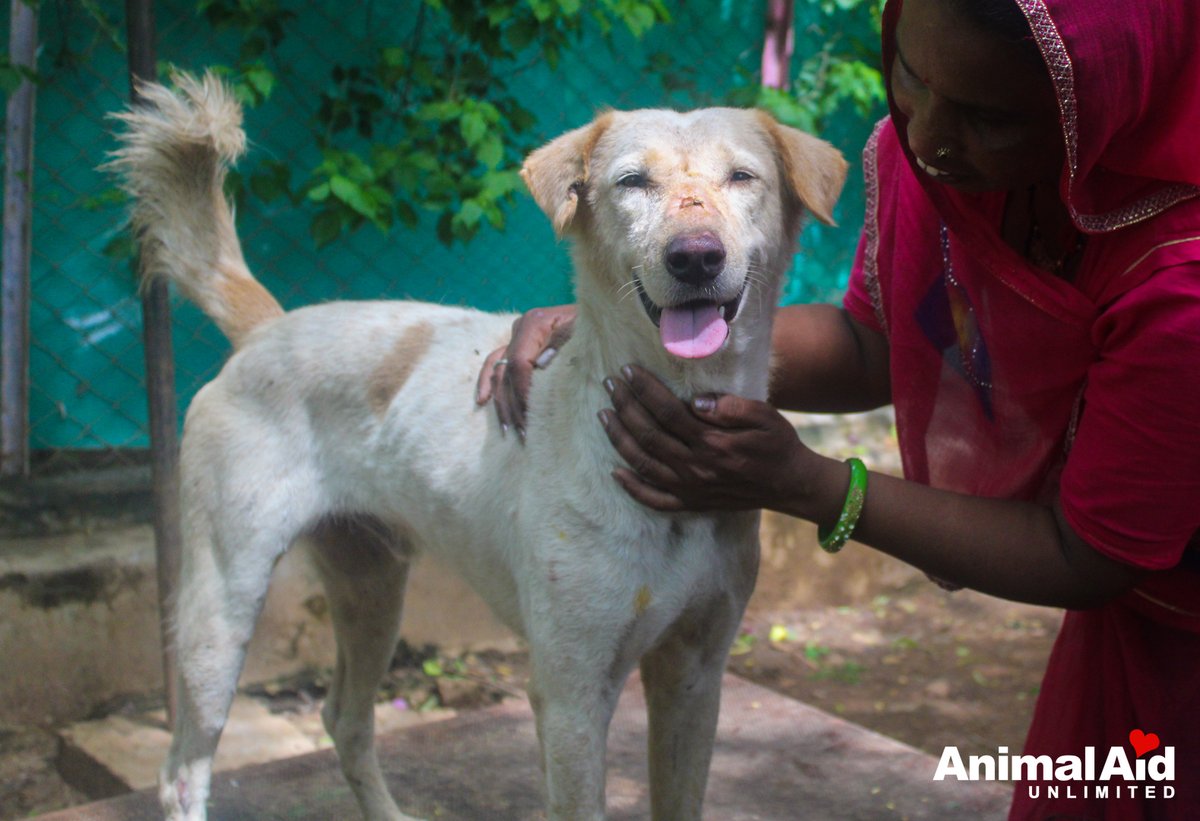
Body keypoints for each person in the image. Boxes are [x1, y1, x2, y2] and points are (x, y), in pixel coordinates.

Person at [476, 0, 1200, 818]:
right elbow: (871, 343)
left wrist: (815, 485)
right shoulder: (933, 165)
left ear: (1089, 117)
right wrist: (617, 326)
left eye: (988, 119)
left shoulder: (1181, 286)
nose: (926, 137)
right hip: (1113, 645)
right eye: (911, 79)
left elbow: (1091, 555)